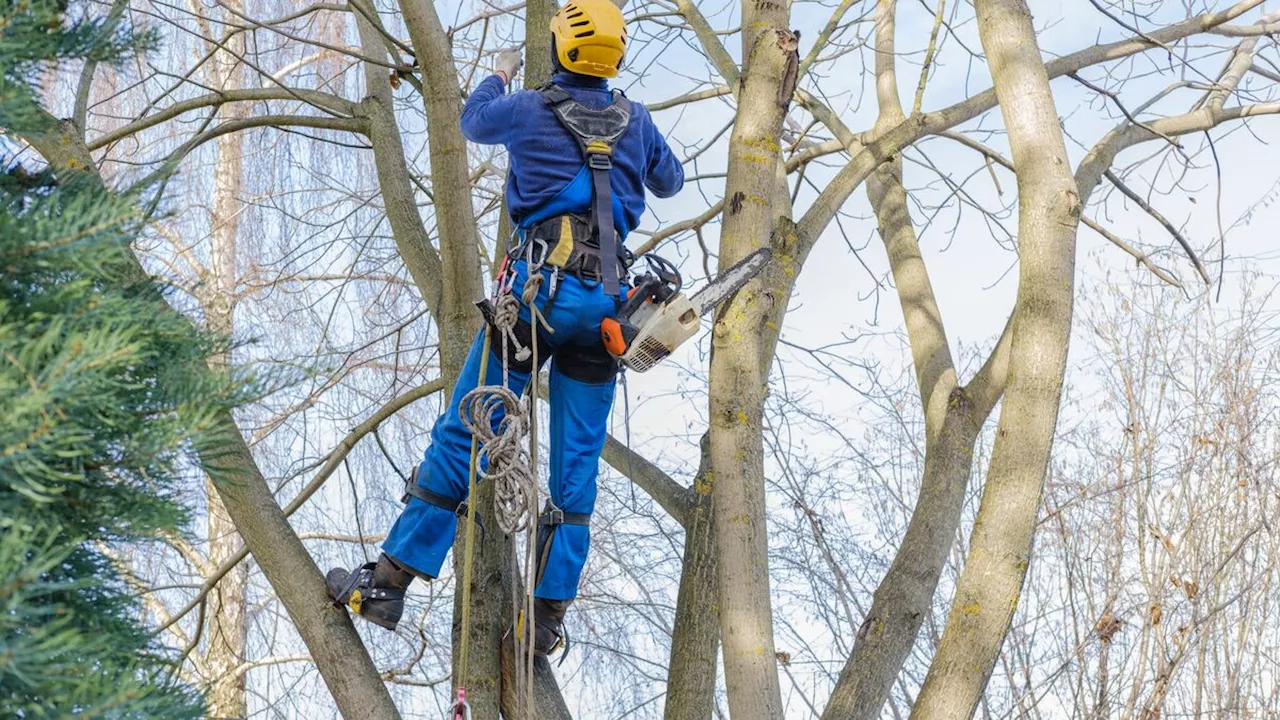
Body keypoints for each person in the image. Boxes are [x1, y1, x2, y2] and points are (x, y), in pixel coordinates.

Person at [326, 0, 684, 656]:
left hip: (538, 297)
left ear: (559, 48)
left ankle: (386, 586)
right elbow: (671, 180)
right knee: (577, 464)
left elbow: (472, 120)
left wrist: (497, 74)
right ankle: (545, 618)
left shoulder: (527, 108)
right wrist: (633, 138)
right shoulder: (639, 122)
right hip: (607, 309)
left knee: (468, 427)